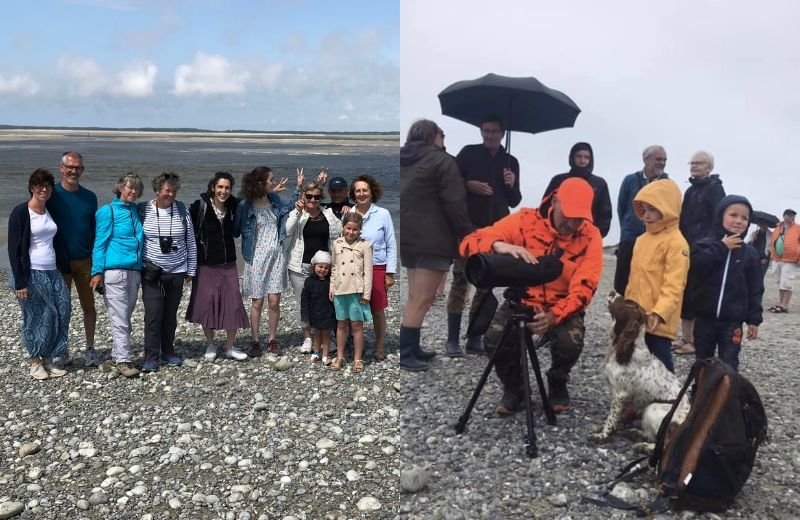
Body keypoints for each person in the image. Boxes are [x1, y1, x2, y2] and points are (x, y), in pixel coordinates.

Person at [459, 178, 603, 414]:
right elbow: (468, 243)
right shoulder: (525, 221)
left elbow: (585, 287)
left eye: (580, 218)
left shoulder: (590, 236)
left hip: (561, 304)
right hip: (523, 300)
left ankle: (557, 381)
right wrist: (498, 245)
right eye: (569, 214)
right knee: (494, 339)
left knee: (570, 342)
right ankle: (514, 388)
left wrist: (555, 315)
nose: (573, 223)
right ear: (555, 201)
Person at [399, 118, 473, 372]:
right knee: (422, 298)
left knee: (414, 296)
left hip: (408, 237)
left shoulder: (402, 159)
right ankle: (406, 352)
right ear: (433, 136)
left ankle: (413, 346)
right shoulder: (443, 161)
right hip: (433, 238)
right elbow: (455, 202)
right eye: (442, 134)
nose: (444, 138)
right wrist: (466, 233)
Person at [446, 114, 522, 357]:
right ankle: (452, 340)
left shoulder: (511, 161)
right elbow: (452, 183)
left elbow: (515, 200)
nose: (490, 135)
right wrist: (469, 185)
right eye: (486, 130)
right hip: (468, 228)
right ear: (481, 131)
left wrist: (511, 184)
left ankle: (475, 337)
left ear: (502, 133)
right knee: (460, 281)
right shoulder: (468, 153)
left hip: (496, 231)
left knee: (485, 284)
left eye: (494, 131)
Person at [684, 195, 763, 371]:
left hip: (732, 322)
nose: (738, 221)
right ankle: (700, 395)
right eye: (733, 215)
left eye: (744, 218)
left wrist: (754, 320)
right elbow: (695, 267)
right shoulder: (705, 244)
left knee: (729, 363)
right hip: (704, 318)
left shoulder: (750, 254)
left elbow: (756, 289)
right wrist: (721, 247)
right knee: (703, 361)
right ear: (720, 216)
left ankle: (729, 397)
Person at [8, 169, 71, 380]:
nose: (43, 189)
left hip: (52, 271)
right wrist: (20, 282)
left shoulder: (49, 210)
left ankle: (49, 359)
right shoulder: (21, 212)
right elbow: (14, 249)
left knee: (61, 312)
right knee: (36, 317)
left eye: (47, 186)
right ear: (31, 187)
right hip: (30, 273)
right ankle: (35, 362)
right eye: (39, 185)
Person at [233, 166, 302, 357]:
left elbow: (287, 210)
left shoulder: (274, 200)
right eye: (271, 180)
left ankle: (272, 339)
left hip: (276, 257)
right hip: (255, 259)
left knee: (274, 301)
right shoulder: (245, 205)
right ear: (261, 183)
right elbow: (235, 230)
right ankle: (255, 341)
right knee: (257, 302)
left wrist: (298, 189)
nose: (274, 182)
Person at [624, 179, 690, 374]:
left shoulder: (677, 244)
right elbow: (634, 279)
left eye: (652, 209)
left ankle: (670, 401)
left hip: (658, 321)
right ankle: (638, 400)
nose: (646, 216)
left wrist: (660, 312)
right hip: (635, 316)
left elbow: (675, 285)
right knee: (633, 362)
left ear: (668, 208)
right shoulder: (641, 240)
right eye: (643, 210)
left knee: (660, 365)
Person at [186, 172, 250, 362]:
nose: (223, 191)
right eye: (220, 187)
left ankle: (230, 347)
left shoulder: (234, 206)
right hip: (205, 264)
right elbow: (188, 235)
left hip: (228, 263)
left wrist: (270, 192)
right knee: (206, 305)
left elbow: (253, 199)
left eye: (227, 188)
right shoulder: (200, 207)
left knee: (234, 304)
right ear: (213, 187)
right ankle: (211, 344)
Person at [45, 151, 99, 367]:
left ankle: (90, 348)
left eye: (77, 167)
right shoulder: (51, 194)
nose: (73, 171)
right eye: (70, 167)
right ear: (61, 168)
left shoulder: (89, 197)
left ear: (82, 170)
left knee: (89, 307)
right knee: (61, 308)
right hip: (60, 262)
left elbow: (94, 231)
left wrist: (98, 264)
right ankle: (61, 349)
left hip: (85, 261)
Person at [139, 172, 197, 372]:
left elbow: (191, 241)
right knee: (153, 315)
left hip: (177, 270)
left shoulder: (182, 210)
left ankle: (168, 351)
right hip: (152, 272)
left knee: (170, 315)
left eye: (173, 190)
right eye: (166, 190)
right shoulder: (144, 210)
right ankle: (151, 356)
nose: (170, 194)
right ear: (157, 191)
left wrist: (191, 269)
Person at [89, 173, 145, 378]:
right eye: (129, 187)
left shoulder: (137, 211)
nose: (133, 191)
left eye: (136, 188)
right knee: (120, 317)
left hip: (134, 272)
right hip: (114, 273)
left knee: (125, 317)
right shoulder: (108, 211)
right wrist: (96, 272)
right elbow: (99, 243)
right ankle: (124, 360)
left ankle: (117, 352)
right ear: (120, 187)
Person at [674, 151, 726, 355]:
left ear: (709, 167)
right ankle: (685, 337)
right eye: (692, 163)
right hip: (686, 247)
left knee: (697, 294)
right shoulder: (690, 190)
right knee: (684, 292)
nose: (694, 166)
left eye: (699, 163)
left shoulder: (715, 189)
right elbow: (683, 218)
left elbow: (718, 220)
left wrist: (707, 244)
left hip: (703, 250)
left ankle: (694, 340)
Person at [286, 181, 342, 353]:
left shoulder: (329, 214)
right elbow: (286, 231)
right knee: (304, 303)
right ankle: (308, 338)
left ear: (321, 198)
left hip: (324, 266)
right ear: (303, 196)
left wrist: (347, 211)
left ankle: (326, 337)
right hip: (299, 265)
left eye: (316, 197)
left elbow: (340, 232)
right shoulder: (298, 214)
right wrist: (297, 211)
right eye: (308, 196)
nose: (312, 200)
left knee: (326, 303)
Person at [350, 174, 396, 361]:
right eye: (358, 191)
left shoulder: (383, 214)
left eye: (365, 190)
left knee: (377, 309)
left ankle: (379, 346)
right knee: (355, 309)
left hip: (377, 266)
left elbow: (391, 243)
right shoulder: (349, 214)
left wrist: (390, 273)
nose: (361, 194)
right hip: (354, 269)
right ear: (353, 194)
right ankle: (356, 346)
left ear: (372, 192)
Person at [614, 145, 669, 295]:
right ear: (645, 160)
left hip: (655, 242)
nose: (662, 163)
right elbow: (622, 207)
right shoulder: (630, 180)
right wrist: (628, 226)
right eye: (658, 159)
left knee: (648, 283)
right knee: (622, 282)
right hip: (630, 238)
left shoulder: (667, 185)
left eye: (664, 160)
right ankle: (621, 314)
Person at [329, 212, 373, 372]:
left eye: (355, 229)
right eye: (348, 228)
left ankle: (358, 359)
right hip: (340, 290)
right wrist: (332, 287)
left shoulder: (365, 245)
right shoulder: (336, 243)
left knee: (356, 325)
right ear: (343, 228)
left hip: (356, 291)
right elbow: (334, 267)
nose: (351, 232)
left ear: (360, 230)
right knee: (341, 324)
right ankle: (340, 356)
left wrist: (366, 294)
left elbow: (368, 272)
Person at [542, 142, 613, 237]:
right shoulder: (558, 180)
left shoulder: (599, 183)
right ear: (572, 158)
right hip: (557, 234)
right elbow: (545, 206)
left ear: (591, 160)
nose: (582, 160)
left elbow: (605, 214)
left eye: (586, 157)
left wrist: (596, 236)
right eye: (579, 156)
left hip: (587, 236)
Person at [301, 250, 336, 365]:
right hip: (314, 313)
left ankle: (325, 356)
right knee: (316, 335)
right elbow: (305, 300)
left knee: (326, 335)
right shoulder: (309, 281)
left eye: (326, 268)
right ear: (313, 266)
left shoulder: (330, 281)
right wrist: (305, 316)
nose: (323, 270)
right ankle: (316, 353)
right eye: (320, 267)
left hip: (327, 313)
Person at [768, 208, 799, 313]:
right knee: (780, 281)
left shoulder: (797, 228)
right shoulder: (778, 227)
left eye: (793, 216)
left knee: (787, 282)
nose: (791, 217)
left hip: (790, 259)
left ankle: (785, 305)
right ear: (784, 216)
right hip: (777, 258)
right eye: (789, 215)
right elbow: (773, 241)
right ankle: (780, 303)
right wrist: (772, 254)